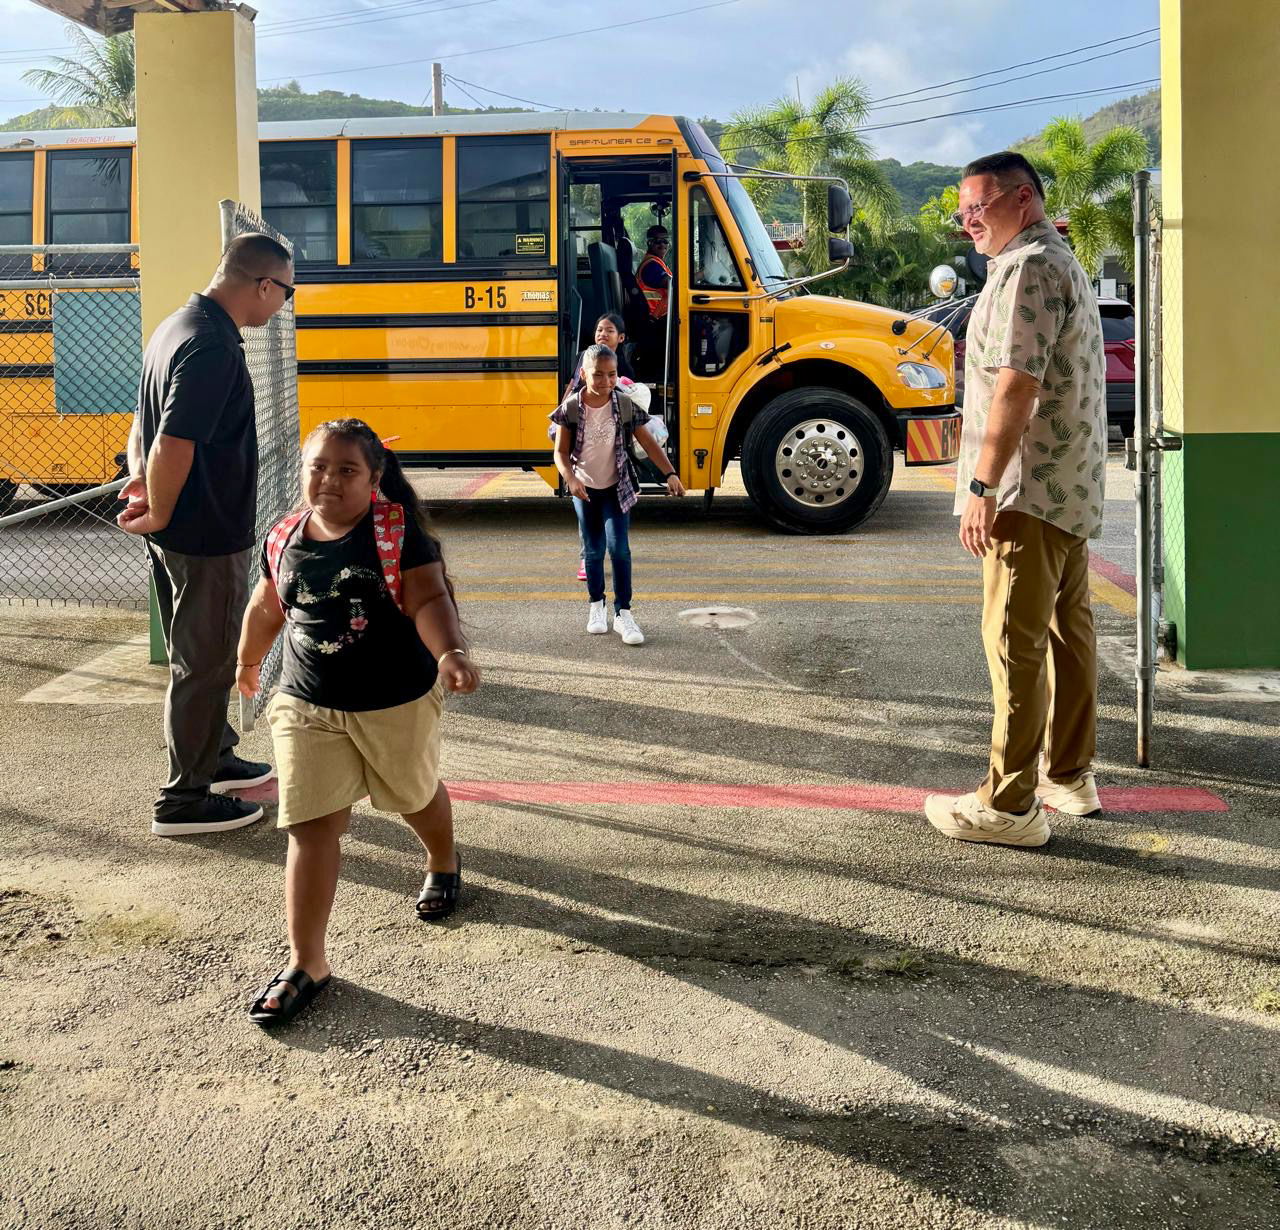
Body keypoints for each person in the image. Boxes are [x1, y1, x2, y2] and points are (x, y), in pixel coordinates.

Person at [237, 419, 480, 1026]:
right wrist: (244, 659)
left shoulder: (396, 535)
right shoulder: (285, 534)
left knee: (413, 795)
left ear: (374, 479)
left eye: (346, 470)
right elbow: (270, 603)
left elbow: (427, 599)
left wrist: (450, 653)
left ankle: (443, 861)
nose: (329, 481)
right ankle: (307, 962)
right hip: (306, 701)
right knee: (311, 825)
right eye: (317, 467)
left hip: (394, 699)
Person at [925, 151, 1108, 849]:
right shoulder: (1057, 259)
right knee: (1067, 631)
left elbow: (1016, 383)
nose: (969, 222)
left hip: (1026, 488)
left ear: (1023, 199)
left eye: (980, 207)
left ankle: (1008, 803)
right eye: (963, 211)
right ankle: (1068, 774)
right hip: (1069, 483)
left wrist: (980, 484)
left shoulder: (1029, 267)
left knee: (1013, 640)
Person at [117, 233, 294, 838]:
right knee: (206, 661)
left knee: (200, 656)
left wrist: (144, 486)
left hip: (181, 529)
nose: (282, 307)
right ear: (263, 284)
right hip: (203, 534)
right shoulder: (214, 345)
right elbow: (175, 439)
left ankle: (215, 757)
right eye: (285, 293)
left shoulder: (177, 324)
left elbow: (144, 422)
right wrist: (161, 508)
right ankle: (184, 799)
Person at [551, 344, 685, 647]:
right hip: (584, 490)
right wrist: (570, 480)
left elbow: (649, 444)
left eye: (611, 375)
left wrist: (670, 474)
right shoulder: (572, 407)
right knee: (594, 551)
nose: (606, 381)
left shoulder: (624, 405)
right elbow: (559, 453)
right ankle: (596, 606)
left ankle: (624, 612)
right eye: (598, 375)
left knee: (620, 550)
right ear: (584, 374)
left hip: (617, 488)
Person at [566, 313, 637, 583]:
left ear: (621, 337)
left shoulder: (624, 367)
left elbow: (633, 398)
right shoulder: (585, 358)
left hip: (612, 447)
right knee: (587, 518)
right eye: (599, 329)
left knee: (618, 543)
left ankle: (620, 604)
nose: (602, 334)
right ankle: (587, 557)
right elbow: (572, 386)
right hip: (585, 450)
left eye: (608, 330)